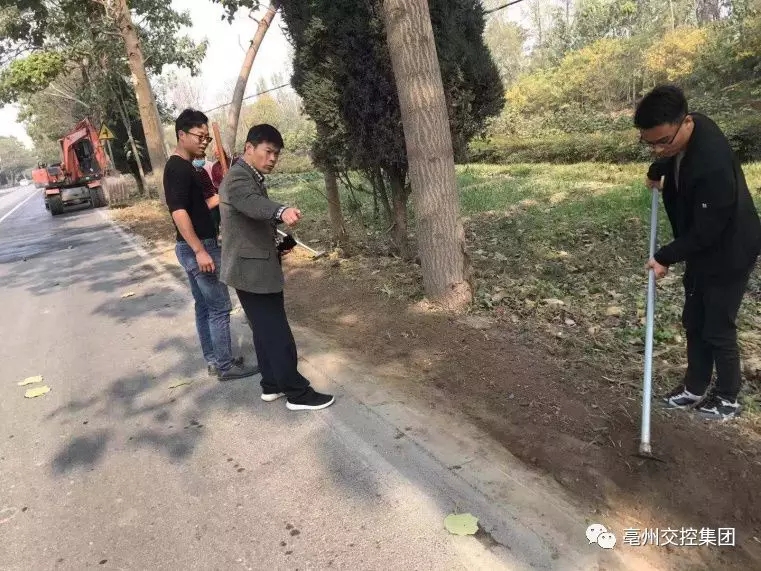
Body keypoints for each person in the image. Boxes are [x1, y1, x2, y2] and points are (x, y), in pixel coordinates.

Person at [635, 85, 761, 420]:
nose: (658, 149)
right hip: (702, 248)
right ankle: (694, 386)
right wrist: (658, 168)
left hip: (730, 250)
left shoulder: (712, 166)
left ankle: (728, 397)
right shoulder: (690, 128)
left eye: (663, 141)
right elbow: (671, 157)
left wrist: (664, 256)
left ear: (685, 122)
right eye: (650, 143)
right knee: (694, 318)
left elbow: (708, 230)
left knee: (717, 325)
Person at [219, 124, 335, 411]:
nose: (272, 158)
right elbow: (251, 203)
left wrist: (276, 239)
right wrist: (280, 210)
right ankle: (297, 393)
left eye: (277, 154)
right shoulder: (238, 178)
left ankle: (271, 384)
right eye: (268, 151)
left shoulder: (250, 176)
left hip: (254, 264)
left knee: (264, 330)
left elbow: (250, 218)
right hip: (251, 270)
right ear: (249, 148)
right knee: (277, 332)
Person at [164, 108, 258, 382]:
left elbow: (199, 207)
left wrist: (223, 194)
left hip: (194, 245)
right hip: (198, 246)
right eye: (199, 136)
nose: (204, 141)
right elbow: (179, 212)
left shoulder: (188, 168)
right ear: (182, 135)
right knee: (219, 307)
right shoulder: (177, 169)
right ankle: (226, 366)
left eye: (206, 137)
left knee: (204, 306)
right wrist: (200, 250)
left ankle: (216, 360)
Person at [192, 154, 221, 236]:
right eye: (197, 158)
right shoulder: (191, 171)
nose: (200, 160)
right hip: (203, 203)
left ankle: (216, 234)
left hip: (212, 200)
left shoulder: (203, 170)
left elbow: (210, 185)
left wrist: (214, 194)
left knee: (215, 219)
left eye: (201, 158)